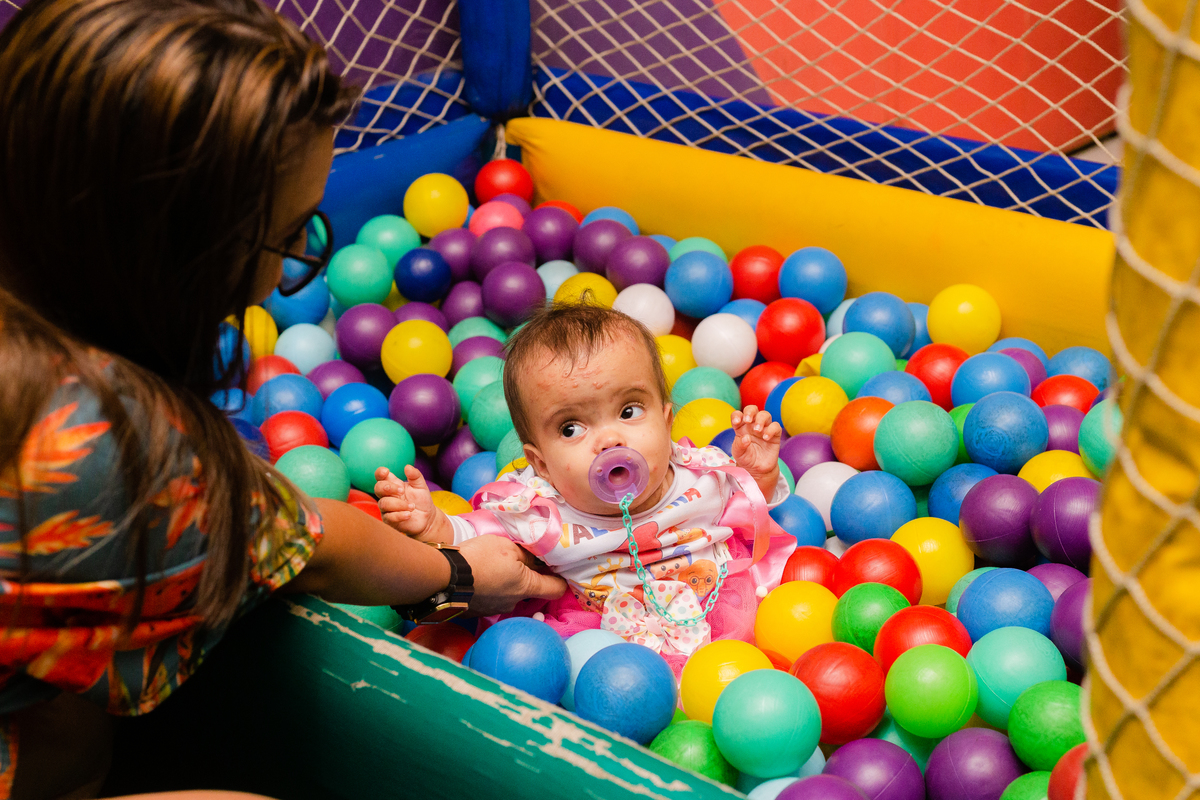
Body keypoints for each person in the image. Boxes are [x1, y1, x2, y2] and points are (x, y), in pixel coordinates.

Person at [0, 1, 566, 798]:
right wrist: (459, 570)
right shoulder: (113, 448)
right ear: (176, 255)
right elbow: (308, 543)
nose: (294, 264)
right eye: (289, 234)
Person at [376, 302, 798, 673]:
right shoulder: (541, 512)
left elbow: (750, 505)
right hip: (600, 636)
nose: (610, 440)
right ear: (541, 463)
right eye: (571, 427)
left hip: (715, 605)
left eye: (629, 410)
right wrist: (435, 524)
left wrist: (759, 471)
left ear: (667, 422)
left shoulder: (699, 477)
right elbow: (480, 543)